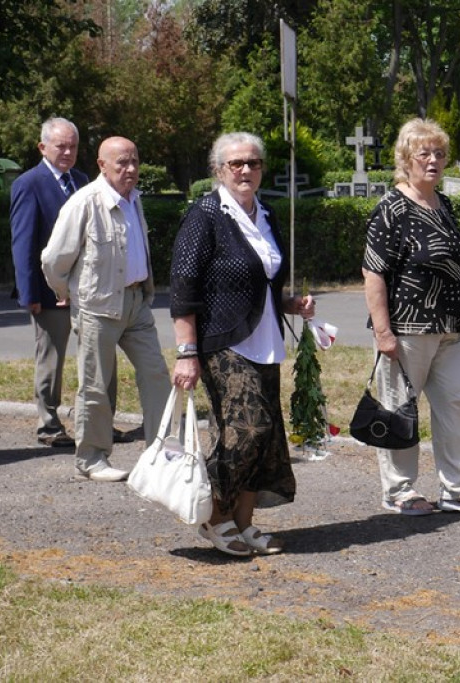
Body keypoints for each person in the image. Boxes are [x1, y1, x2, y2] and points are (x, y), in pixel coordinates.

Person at [170, 132, 316, 556]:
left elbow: (264, 279)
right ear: (219, 170)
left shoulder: (266, 212)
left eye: (253, 163)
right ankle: (214, 518)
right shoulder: (205, 215)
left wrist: (290, 303)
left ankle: (245, 524)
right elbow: (184, 287)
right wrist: (186, 352)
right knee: (246, 429)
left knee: (265, 436)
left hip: (265, 338)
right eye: (236, 164)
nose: (246, 170)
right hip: (221, 341)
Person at [361, 118, 460, 517]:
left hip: (450, 327)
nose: (433, 160)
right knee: (400, 409)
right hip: (406, 329)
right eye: (425, 154)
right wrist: (383, 332)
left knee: (456, 405)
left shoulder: (443, 203)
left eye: (438, 153)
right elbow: (373, 272)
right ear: (406, 159)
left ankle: (457, 489)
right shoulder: (392, 208)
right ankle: (399, 490)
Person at [41, 136, 171, 482]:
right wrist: (65, 291)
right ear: (102, 165)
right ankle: (92, 458)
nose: (131, 170)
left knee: (157, 375)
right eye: (122, 163)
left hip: (136, 303)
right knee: (96, 385)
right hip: (96, 306)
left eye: (135, 162)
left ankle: (160, 452)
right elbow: (53, 259)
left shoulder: (134, 199)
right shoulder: (83, 202)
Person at [10, 117, 129, 448]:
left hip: (89, 290)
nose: (67, 152)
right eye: (60, 145)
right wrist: (29, 293)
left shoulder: (82, 181)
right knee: (52, 359)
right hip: (48, 292)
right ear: (42, 147)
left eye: (73, 146)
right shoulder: (28, 183)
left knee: (99, 357)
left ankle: (98, 423)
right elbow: (24, 243)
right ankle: (49, 424)